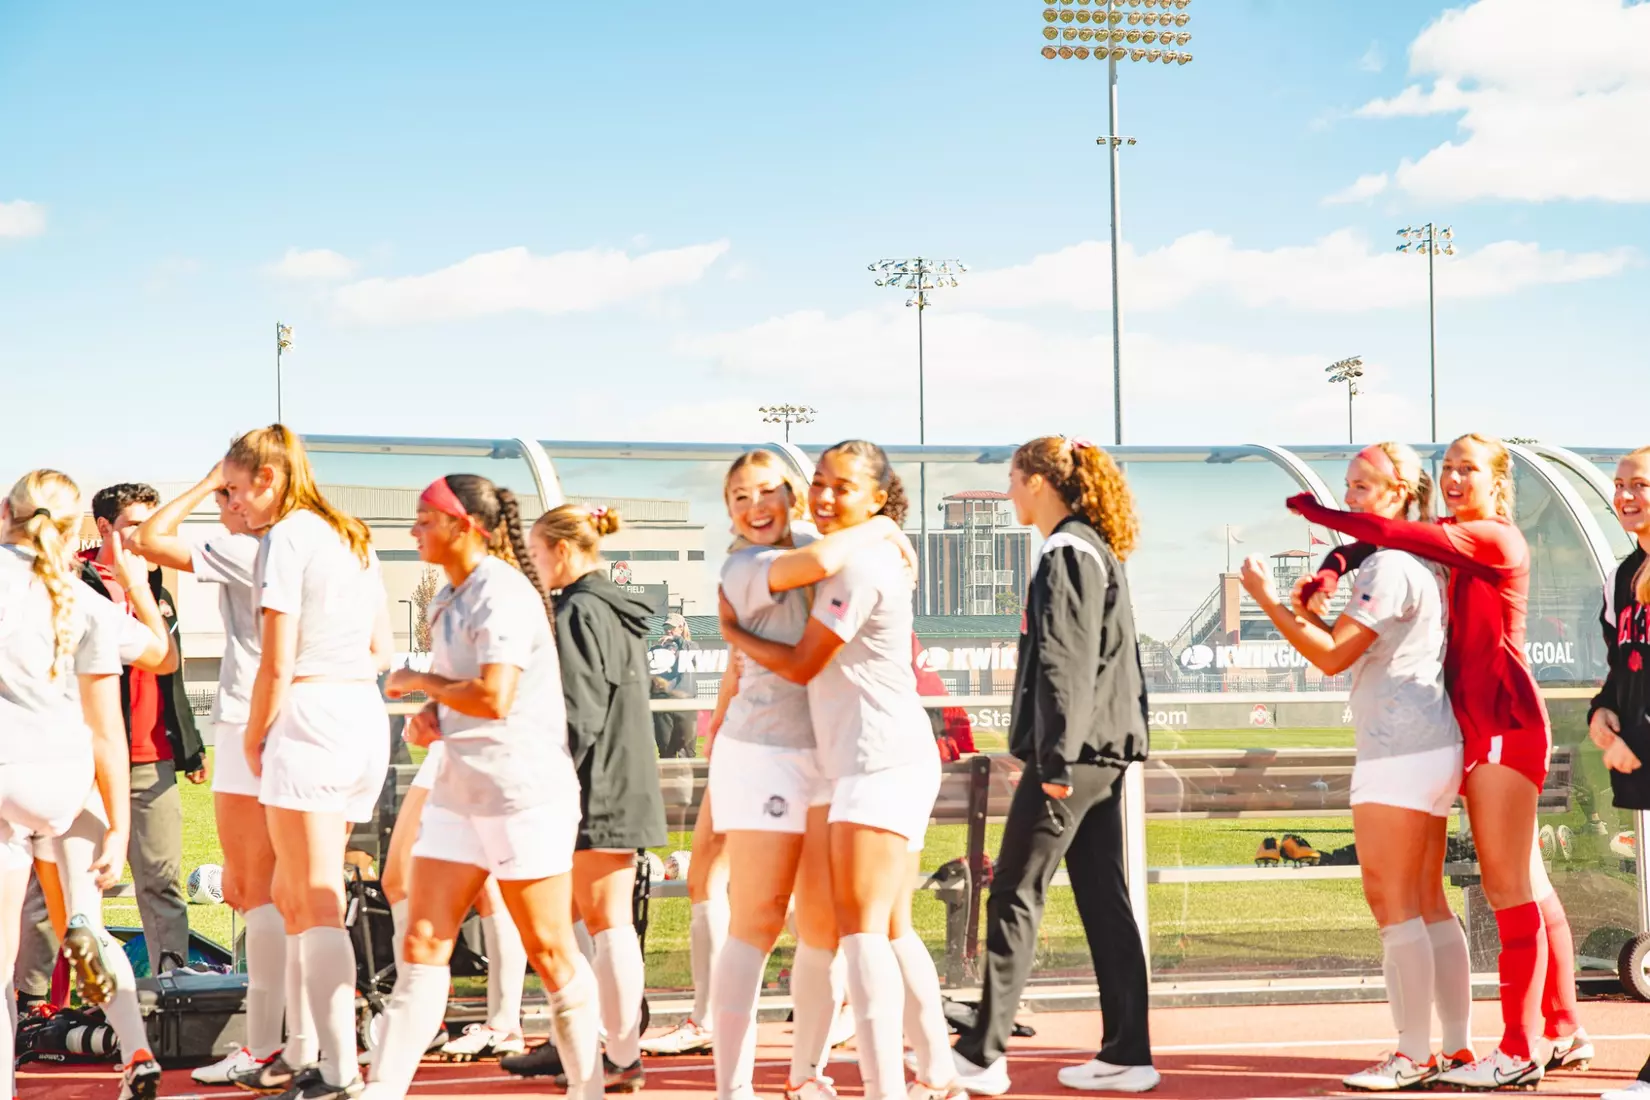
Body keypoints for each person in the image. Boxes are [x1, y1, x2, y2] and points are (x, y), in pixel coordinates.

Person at [1289, 433, 1571, 1089]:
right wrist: (1331, 565)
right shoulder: (1443, 534)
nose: (1452, 479)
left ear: (1497, 482)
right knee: (1519, 884)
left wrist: (1322, 513)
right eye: (1447, 468)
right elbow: (1374, 541)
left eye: (1466, 470)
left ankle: (1521, 1045)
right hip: (1467, 732)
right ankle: (1556, 1031)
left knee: (1509, 890)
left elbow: (1382, 532)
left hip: (1505, 724)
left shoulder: (1493, 538)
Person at [717, 439, 956, 1100]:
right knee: (872, 927)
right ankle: (928, 1073)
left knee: (860, 931)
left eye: (838, 487)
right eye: (819, 482)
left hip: (871, 762)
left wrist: (733, 637)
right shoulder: (775, 560)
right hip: (844, 760)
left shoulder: (855, 560)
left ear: (878, 496)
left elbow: (801, 663)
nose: (823, 497)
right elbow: (813, 559)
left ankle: (889, 1087)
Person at [1242, 443, 1471, 1089]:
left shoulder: (1393, 562)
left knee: (1393, 904)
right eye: (1349, 485)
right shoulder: (1420, 557)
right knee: (1428, 902)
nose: (1352, 499)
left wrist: (1262, 595)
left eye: (1365, 487)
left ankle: (1413, 1053)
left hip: (1398, 751)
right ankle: (1450, 1048)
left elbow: (1332, 656)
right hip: (1428, 743)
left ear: (1399, 491)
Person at [363, 475, 598, 1100]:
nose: (413, 531)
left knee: (549, 949)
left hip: (523, 794)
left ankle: (592, 1084)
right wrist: (432, 716)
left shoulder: (504, 592)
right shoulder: (448, 594)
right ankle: (383, 1088)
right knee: (422, 938)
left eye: (424, 519)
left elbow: (495, 696)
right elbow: (462, 692)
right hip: (461, 790)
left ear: (465, 526)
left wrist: (420, 684)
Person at [942, 437, 1156, 1096]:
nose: (1008, 491)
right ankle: (1127, 1053)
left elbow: (1065, 662)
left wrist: (1053, 760)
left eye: (1012, 479)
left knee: (1014, 893)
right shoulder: (1094, 547)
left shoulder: (1065, 552)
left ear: (1040, 482)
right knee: (1101, 898)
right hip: (1104, 754)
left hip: (1075, 756)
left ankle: (983, 1052)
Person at [220, 424, 393, 1100]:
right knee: (306, 895)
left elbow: (277, 656)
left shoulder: (288, 536)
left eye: (235, 488)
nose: (234, 504)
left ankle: (335, 1064)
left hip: (312, 711)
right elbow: (380, 646)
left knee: (312, 899)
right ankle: (310, 1051)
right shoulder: (352, 533)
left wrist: (258, 732)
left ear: (268, 478)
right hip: (361, 714)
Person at [0, 471, 171, 1100]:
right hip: (67, 776)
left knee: (4, 953)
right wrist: (120, 826)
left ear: (4, 512)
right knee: (88, 926)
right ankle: (136, 1052)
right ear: (75, 530)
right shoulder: (80, 599)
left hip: (5, 769)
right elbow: (153, 663)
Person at [127, 464, 286, 1085]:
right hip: (280, 727)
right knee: (282, 893)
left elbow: (150, 537)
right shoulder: (321, 547)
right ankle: (289, 1042)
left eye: (231, 494)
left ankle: (269, 1044)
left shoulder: (251, 547)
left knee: (257, 891)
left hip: (254, 724)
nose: (223, 503)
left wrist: (204, 483)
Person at [524, 504, 668, 1091]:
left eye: (536, 553)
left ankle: (616, 1053)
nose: (533, 566)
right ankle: (609, 1049)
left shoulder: (578, 610)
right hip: (623, 775)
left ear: (561, 550)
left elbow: (579, 712)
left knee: (602, 925)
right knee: (602, 925)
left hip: (596, 784)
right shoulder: (613, 608)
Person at [79, 482, 205, 977]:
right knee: (71, 889)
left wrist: (189, 749)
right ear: (104, 527)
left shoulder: (157, 590)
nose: (150, 538)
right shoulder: (75, 582)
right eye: (136, 526)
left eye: (159, 527)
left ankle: (172, 988)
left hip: (152, 762)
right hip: (86, 765)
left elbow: (170, 675)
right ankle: (41, 1002)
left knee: (162, 883)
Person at [376, 737, 528, 1063]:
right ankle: (497, 1024)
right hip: (463, 744)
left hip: (468, 743)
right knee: (483, 885)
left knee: (403, 880)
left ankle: (430, 1026)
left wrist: (424, 690)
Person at [1590, 448, 1650, 1100]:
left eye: (1642, 484)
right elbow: (1618, 666)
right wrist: (1602, 719)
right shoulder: (1622, 575)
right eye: (1621, 484)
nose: (1627, 494)